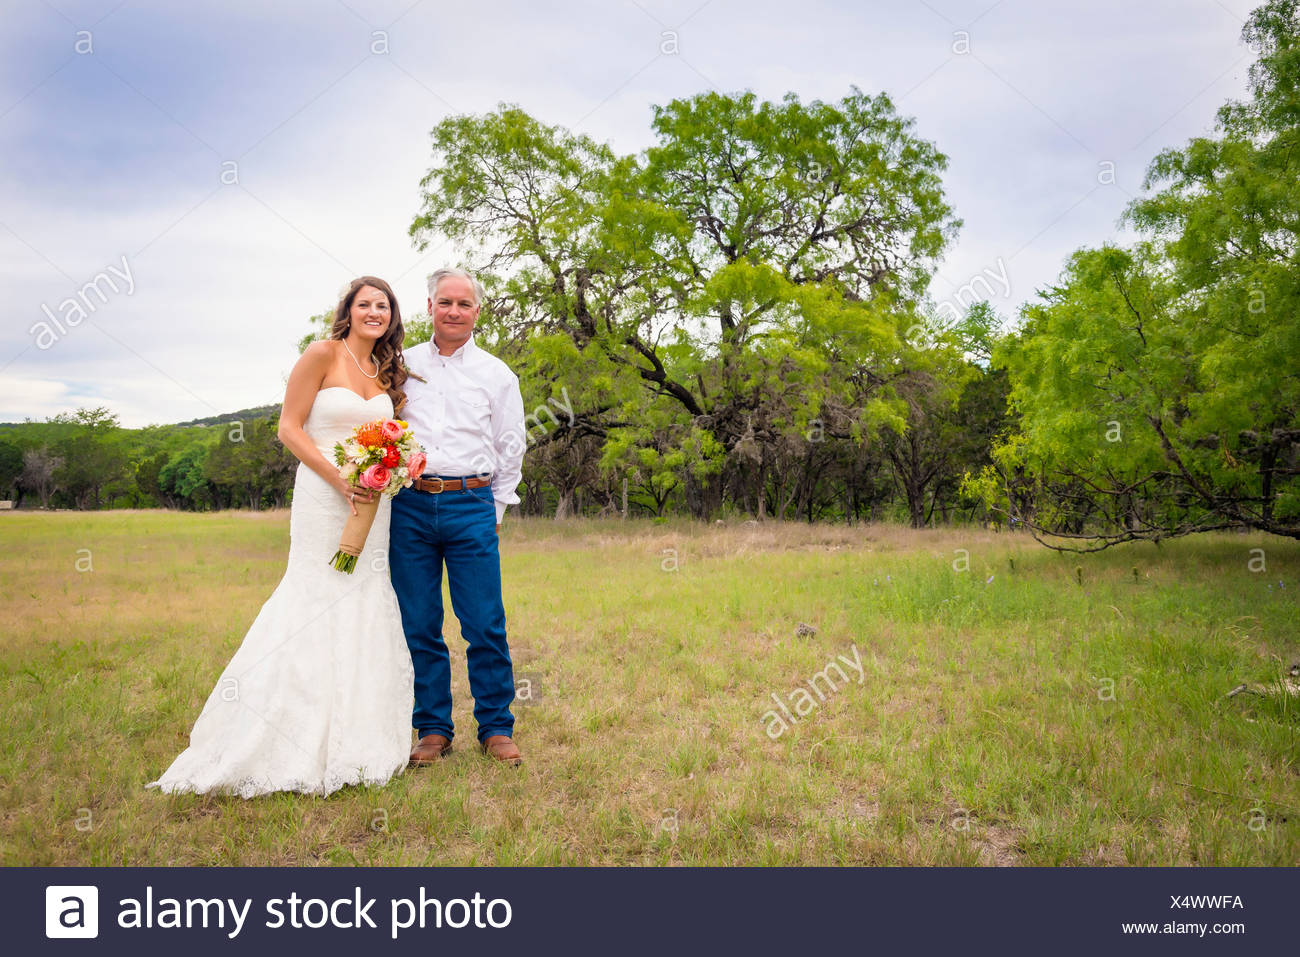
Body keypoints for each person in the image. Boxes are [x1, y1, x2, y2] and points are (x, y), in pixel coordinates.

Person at [148, 277, 415, 797]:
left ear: (392, 316)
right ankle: (285, 733)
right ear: (348, 310)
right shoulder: (322, 354)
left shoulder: (385, 369)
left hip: (370, 503)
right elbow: (289, 427)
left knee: (363, 594)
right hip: (322, 492)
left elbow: (390, 437)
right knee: (315, 592)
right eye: (365, 304)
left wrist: (387, 467)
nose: (374, 312)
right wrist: (338, 477)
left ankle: (358, 738)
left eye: (383, 305)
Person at [390, 267, 526, 767]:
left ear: (477, 311)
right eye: (445, 302)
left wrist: (494, 505)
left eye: (463, 304)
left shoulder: (496, 374)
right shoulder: (399, 365)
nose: (453, 311)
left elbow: (511, 442)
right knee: (420, 621)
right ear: (429, 307)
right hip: (409, 504)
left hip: (472, 502)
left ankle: (495, 726)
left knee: (484, 621)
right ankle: (433, 729)